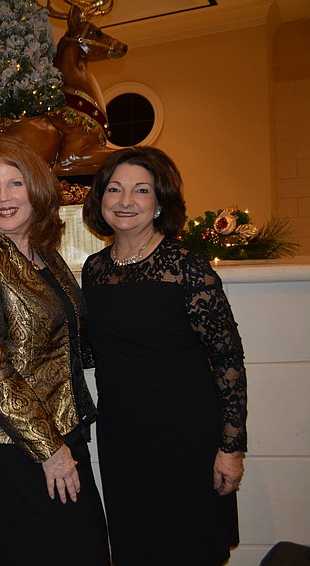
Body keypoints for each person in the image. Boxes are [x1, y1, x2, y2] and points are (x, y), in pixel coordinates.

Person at [0, 137, 110, 565]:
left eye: (14, 184)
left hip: (64, 431)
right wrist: (49, 449)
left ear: (34, 189)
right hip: (15, 446)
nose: (4, 198)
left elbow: (65, 340)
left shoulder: (45, 254)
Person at [81, 146, 247, 565]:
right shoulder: (94, 270)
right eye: (114, 189)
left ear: (159, 202)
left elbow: (228, 361)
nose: (125, 201)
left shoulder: (188, 267)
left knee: (191, 549)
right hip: (123, 438)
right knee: (134, 550)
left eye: (141, 190)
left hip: (185, 438)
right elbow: (94, 351)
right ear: (100, 199)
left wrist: (232, 447)